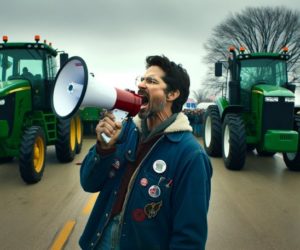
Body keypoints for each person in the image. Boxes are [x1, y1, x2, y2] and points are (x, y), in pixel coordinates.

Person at [79, 55, 213, 250]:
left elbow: (189, 237)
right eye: (141, 79)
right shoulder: (123, 131)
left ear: (172, 94)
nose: (141, 85)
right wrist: (104, 148)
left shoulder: (191, 156)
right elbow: (89, 183)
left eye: (151, 81)